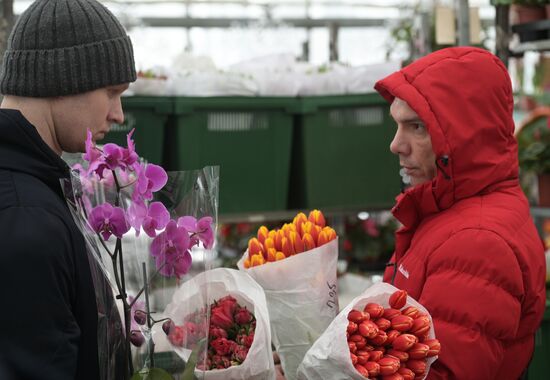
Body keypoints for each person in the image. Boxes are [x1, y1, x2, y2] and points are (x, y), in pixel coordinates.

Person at [375, 46, 546, 379]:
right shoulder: (451, 211)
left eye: (417, 127)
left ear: (463, 137)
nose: (396, 145)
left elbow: (440, 372)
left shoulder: (476, 242)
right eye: (398, 125)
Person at [0, 0, 136, 379]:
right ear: (62, 78)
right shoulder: (26, 217)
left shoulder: (34, 188)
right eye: (111, 91)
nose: (118, 113)